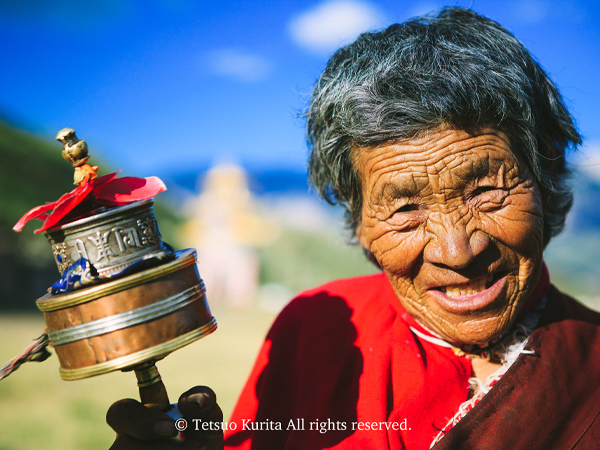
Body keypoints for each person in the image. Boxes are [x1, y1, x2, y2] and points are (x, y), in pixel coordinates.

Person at [107, 7, 600, 450]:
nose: (457, 250)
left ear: (546, 181)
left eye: (486, 191)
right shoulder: (316, 329)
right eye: (405, 208)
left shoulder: (589, 366)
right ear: (359, 224)